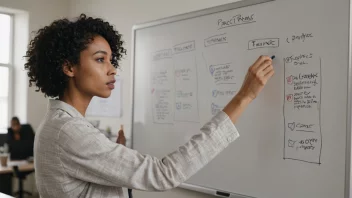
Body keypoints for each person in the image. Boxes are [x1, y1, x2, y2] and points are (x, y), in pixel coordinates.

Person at [24, 14, 274, 198]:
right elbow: (164, 174)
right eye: (100, 59)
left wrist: (114, 152)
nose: (112, 69)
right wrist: (244, 97)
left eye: (111, 60)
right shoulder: (67, 131)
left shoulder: (63, 124)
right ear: (69, 67)